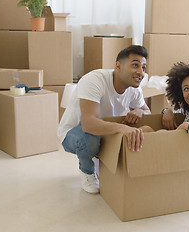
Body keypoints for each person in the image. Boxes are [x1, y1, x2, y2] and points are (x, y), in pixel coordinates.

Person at [58, 45, 151, 194]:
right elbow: (88, 124)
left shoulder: (135, 90)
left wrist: (139, 111)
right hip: (76, 134)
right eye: (135, 65)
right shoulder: (94, 80)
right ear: (118, 66)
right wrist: (123, 128)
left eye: (144, 68)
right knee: (89, 140)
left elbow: (148, 112)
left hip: (104, 133)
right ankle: (87, 171)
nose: (141, 72)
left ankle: (97, 158)